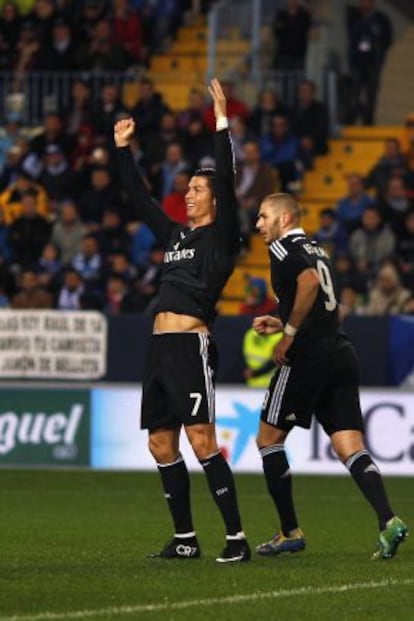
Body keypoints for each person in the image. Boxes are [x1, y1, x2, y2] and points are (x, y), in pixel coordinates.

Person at [114, 78, 250, 563]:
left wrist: (220, 119)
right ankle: (186, 539)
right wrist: (124, 150)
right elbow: (139, 200)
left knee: (201, 440)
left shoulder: (222, 237)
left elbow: (229, 180)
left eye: (196, 189)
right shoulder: (175, 235)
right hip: (159, 348)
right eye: (188, 188)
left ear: (214, 200)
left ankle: (236, 538)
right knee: (160, 445)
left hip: (191, 346)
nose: (188, 195)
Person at [253, 192, 408, 560]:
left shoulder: (281, 249)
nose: (258, 224)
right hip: (339, 351)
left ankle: (289, 531)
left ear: (284, 219)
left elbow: (307, 285)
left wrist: (288, 335)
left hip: (308, 357)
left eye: (263, 216)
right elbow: (331, 309)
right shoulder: (319, 250)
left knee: (267, 440)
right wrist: (283, 320)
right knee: (348, 447)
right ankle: (389, 521)